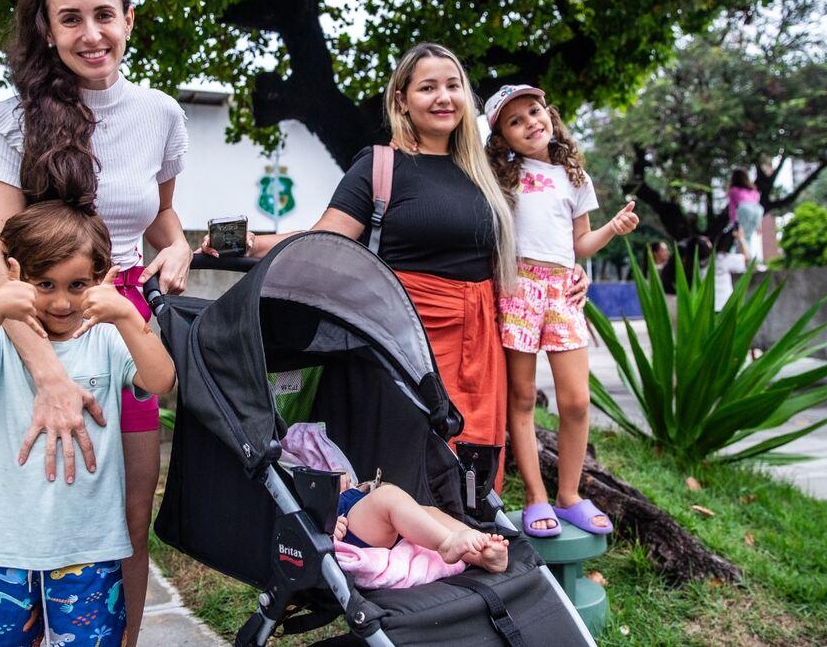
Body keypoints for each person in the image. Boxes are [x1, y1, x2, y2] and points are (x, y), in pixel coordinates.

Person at [202, 43, 588, 491]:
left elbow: (545, 229)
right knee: (406, 470)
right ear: (402, 100)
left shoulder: (490, 170)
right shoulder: (379, 165)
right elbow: (324, 237)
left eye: (453, 86)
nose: (443, 97)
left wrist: (574, 273)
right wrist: (251, 241)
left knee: (474, 472)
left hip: (480, 342)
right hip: (403, 337)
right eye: (428, 87)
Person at [0, 0, 190, 647]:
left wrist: (179, 244)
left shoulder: (159, 113)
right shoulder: (14, 119)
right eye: (72, 18)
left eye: (105, 15)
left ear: (129, 21)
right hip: (38, 325)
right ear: (48, 28)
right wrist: (49, 375)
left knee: (126, 517)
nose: (91, 32)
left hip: (126, 322)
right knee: (40, 517)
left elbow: (157, 216)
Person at [0, 201, 176, 646]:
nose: (62, 301)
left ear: (100, 278)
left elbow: (161, 380)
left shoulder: (104, 337)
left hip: (91, 553)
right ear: (16, 276)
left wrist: (125, 313)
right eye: (44, 284)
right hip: (2, 551)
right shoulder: (5, 343)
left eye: (77, 285)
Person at [483, 85, 637, 538]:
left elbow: (579, 244)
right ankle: (535, 497)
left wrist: (613, 228)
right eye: (515, 121)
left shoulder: (575, 177)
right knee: (523, 397)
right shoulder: (502, 178)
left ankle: (569, 494)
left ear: (549, 113)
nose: (530, 122)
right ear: (502, 139)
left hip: (563, 292)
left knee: (575, 400)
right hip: (518, 289)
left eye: (534, 111)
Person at [333, 473, 509, 574]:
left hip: (358, 503)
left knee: (429, 512)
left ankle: (481, 554)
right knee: (387, 497)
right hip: (343, 522)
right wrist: (322, 523)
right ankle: (448, 544)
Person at [713, 226, 752, 312]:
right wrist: (741, 238)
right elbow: (747, 259)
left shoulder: (706, 261)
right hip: (725, 306)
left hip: (708, 307)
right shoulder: (724, 258)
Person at [727, 168, 764, 242]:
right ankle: (748, 252)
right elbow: (756, 205)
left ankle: (743, 252)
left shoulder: (733, 190)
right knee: (749, 235)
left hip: (744, 209)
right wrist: (759, 225)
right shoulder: (753, 190)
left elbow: (732, 208)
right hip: (758, 210)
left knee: (741, 237)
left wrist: (734, 223)